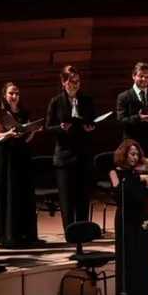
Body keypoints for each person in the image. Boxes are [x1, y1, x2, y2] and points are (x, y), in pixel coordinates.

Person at [0, 82, 40, 248]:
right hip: (4, 156)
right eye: (11, 93)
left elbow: (25, 138)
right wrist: (9, 134)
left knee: (21, 194)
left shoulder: (23, 112)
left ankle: (23, 233)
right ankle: (6, 235)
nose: (14, 96)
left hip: (20, 156)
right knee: (7, 193)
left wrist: (32, 131)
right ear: (4, 95)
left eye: (17, 93)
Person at [46, 65, 98, 230]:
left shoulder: (87, 100)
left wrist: (91, 128)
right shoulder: (56, 102)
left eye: (77, 81)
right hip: (64, 156)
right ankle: (69, 231)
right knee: (67, 198)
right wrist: (61, 128)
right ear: (63, 82)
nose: (75, 85)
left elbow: (93, 120)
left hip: (82, 153)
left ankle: (82, 229)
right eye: (71, 81)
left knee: (83, 196)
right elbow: (48, 127)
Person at [110, 139, 148, 295]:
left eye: (137, 155)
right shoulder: (115, 173)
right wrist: (137, 179)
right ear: (124, 154)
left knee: (141, 261)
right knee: (127, 261)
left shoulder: (141, 174)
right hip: (125, 220)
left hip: (142, 218)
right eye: (132, 154)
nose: (135, 158)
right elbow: (118, 193)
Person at [116, 61, 148, 158]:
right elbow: (121, 120)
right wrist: (138, 118)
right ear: (133, 76)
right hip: (132, 144)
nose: (144, 79)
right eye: (141, 76)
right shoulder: (123, 97)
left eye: (147, 77)